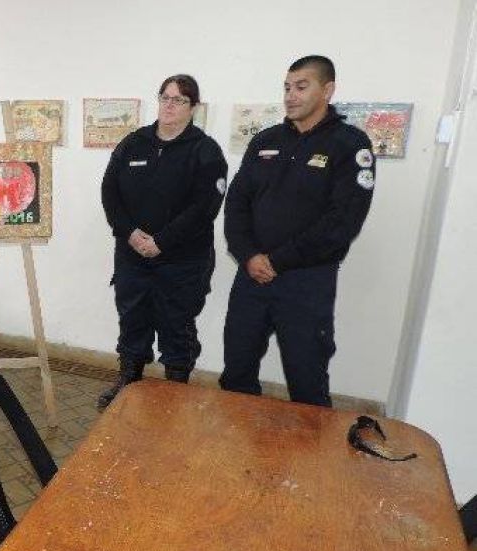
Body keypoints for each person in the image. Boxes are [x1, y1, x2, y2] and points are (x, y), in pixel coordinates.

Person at [220, 55, 376, 407]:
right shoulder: (264, 141)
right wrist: (248, 256)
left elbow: (342, 223)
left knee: (307, 384)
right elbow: (237, 205)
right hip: (251, 278)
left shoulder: (350, 145)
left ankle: (312, 461)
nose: (291, 95)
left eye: (301, 87)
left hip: (306, 283)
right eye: (287, 87)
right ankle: (235, 456)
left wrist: (276, 260)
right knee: (236, 375)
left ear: (328, 90)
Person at [98, 75, 228, 410]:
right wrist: (129, 233)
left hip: (182, 261)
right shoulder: (133, 143)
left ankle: (176, 392)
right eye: (165, 97)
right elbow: (109, 192)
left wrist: (163, 241)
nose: (170, 105)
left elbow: (204, 208)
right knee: (132, 319)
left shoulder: (205, 151)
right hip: (132, 256)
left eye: (179, 100)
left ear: (193, 107)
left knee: (177, 325)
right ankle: (129, 380)